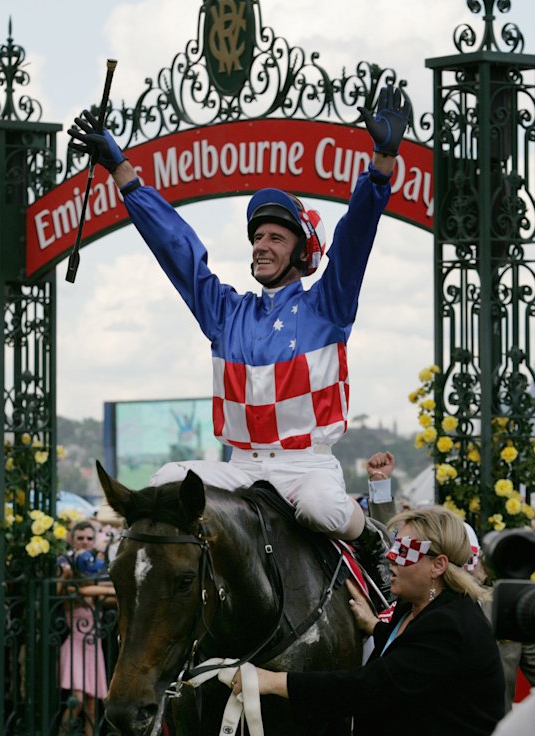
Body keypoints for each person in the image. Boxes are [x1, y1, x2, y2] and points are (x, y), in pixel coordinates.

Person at [68, 86, 411, 595]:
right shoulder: (225, 312)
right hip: (242, 468)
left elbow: (356, 238)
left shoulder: (328, 305)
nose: (261, 246)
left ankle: (374, 543)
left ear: (300, 254)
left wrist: (381, 164)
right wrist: (123, 172)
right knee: (165, 479)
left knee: (322, 507)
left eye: (276, 237)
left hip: (305, 469)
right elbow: (176, 247)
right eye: (257, 237)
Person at [231, 506, 506, 736]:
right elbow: (409, 653)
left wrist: (271, 681)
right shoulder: (413, 607)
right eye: (394, 546)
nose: (391, 557)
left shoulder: (450, 625)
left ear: (438, 565)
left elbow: (370, 687)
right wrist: (376, 627)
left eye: (404, 551)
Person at [56, 521, 116, 736]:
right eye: (80, 538)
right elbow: (65, 591)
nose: (84, 542)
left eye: (89, 538)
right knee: (76, 701)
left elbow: (112, 594)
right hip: (76, 644)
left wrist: (99, 589)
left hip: (93, 646)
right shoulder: (67, 565)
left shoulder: (98, 569)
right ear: (71, 539)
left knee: (93, 706)